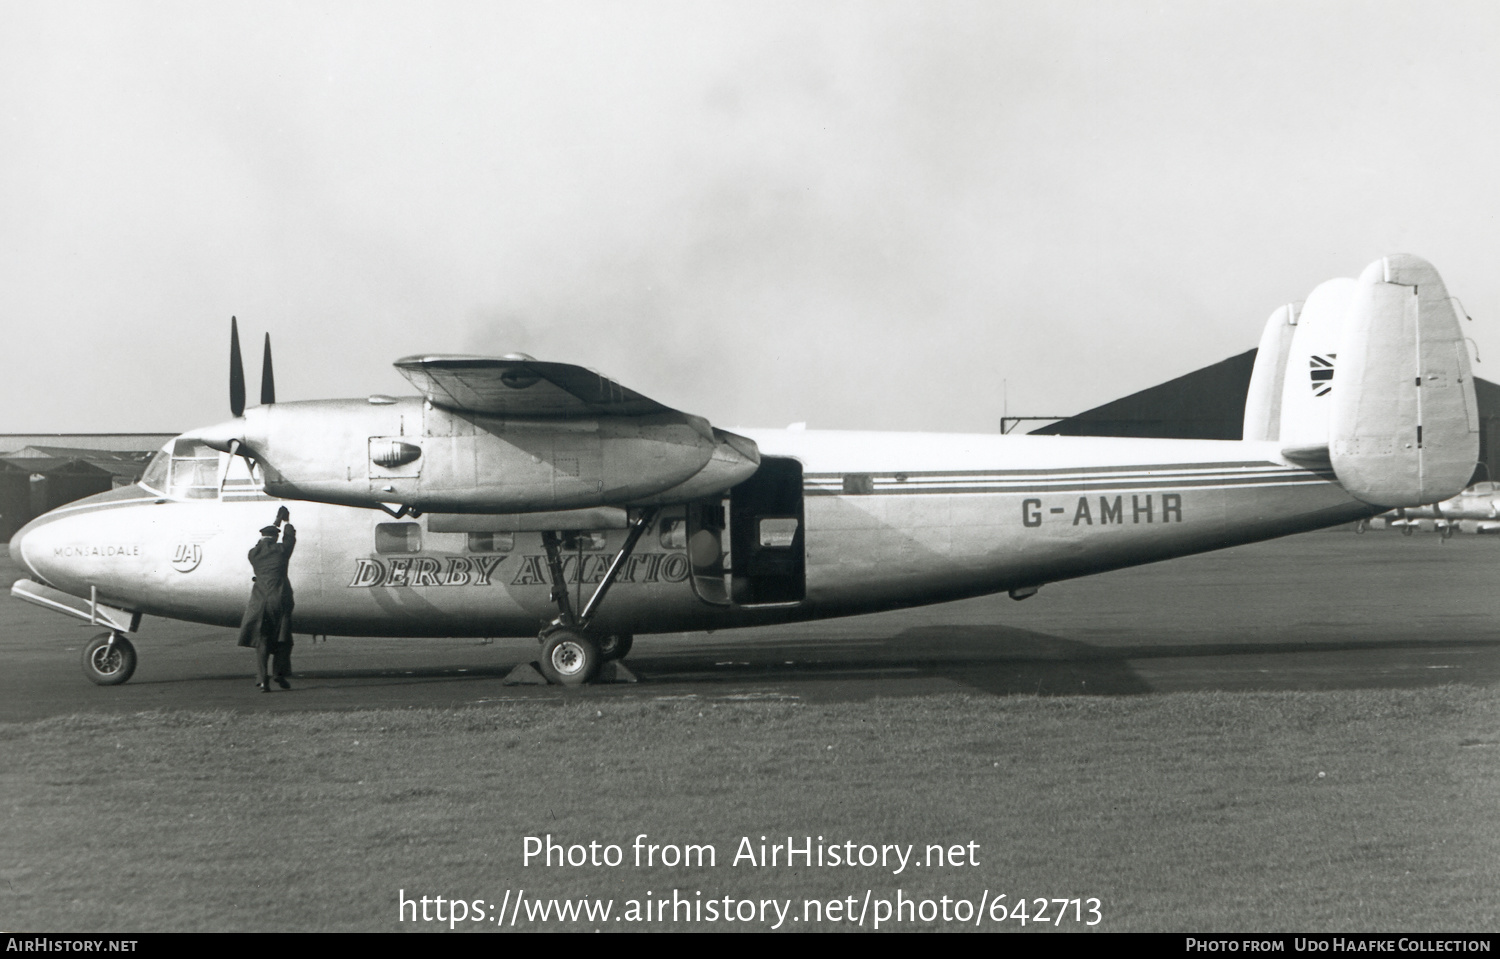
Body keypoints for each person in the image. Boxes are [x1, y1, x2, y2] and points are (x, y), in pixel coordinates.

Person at [236, 506, 296, 691]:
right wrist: (286, 522)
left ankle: (263, 680)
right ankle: (279, 674)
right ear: (276, 538)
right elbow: (290, 537)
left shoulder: (253, 554)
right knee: (283, 640)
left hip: (259, 601)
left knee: (262, 641)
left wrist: (275, 522)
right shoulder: (281, 551)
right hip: (280, 599)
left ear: (262, 538)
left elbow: (261, 543)